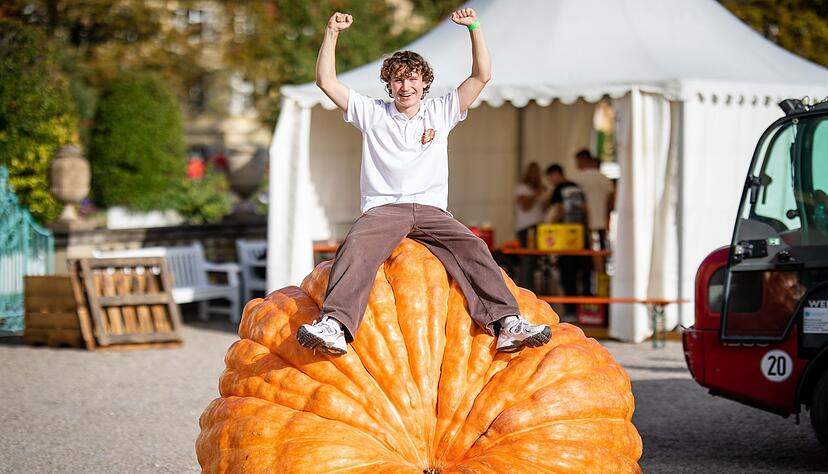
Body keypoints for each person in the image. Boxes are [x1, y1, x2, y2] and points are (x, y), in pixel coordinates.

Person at [296, 9, 551, 356]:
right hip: (385, 208)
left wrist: (474, 28)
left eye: (413, 79)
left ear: (424, 84)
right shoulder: (372, 113)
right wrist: (331, 32)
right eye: (399, 80)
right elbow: (326, 81)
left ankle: (507, 324)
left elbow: (482, 75)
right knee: (356, 247)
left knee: (473, 248)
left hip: (431, 211)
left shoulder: (441, 112)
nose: (406, 86)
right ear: (389, 85)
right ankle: (335, 326)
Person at [545, 164, 590, 318]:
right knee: (582, 275)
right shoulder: (577, 187)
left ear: (555, 174)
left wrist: (548, 227)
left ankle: (570, 311)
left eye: (550, 178)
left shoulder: (559, 189)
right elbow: (585, 209)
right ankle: (585, 311)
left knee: (567, 275)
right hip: (579, 234)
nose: (550, 181)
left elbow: (559, 209)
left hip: (565, 237)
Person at [574, 149, 614, 250]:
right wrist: (607, 216)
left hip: (586, 222)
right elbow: (611, 200)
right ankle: (601, 265)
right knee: (602, 250)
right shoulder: (605, 179)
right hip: (602, 223)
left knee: (590, 252)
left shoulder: (579, 178)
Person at [514, 162, 547, 247]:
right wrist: (536, 194)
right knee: (528, 255)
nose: (534, 175)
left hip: (540, 226)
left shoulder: (542, 188)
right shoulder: (522, 188)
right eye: (532, 172)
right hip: (527, 227)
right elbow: (525, 206)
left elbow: (545, 209)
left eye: (537, 172)